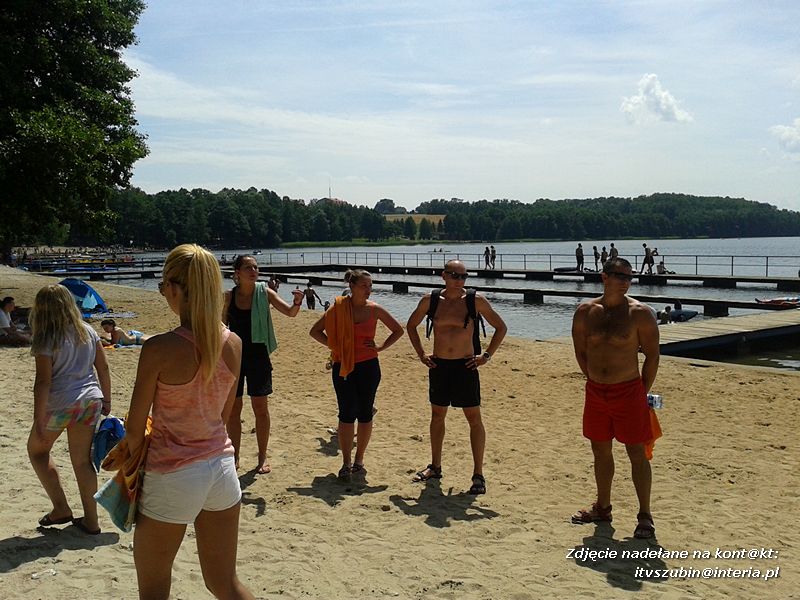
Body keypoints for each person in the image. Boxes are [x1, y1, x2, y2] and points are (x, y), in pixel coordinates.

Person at [125, 244, 255, 599]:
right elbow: (225, 417)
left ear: (176, 288)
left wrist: (129, 472)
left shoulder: (159, 348)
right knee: (224, 583)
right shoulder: (234, 343)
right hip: (220, 469)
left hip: (173, 473)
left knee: (153, 587)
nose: (164, 292)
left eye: (164, 285)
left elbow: (134, 430)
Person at [570, 257, 660, 539]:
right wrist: (593, 377)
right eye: (619, 276)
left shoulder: (640, 314)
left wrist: (640, 390)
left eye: (629, 277)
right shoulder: (585, 312)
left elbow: (653, 356)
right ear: (604, 277)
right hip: (596, 391)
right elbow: (580, 350)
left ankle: (644, 514)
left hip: (629, 390)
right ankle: (603, 506)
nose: (625, 281)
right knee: (600, 450)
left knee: (636, 453)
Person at [406, 260, 507, 495]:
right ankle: (435, 466)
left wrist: (487, 356)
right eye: (455, 275)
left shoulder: (475, 300)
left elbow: (501, 327)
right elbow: (411, 325)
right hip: (439, 365)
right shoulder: (430, 300)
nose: (459, 280)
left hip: (466, 366)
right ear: (444, 275)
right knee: (437, 415)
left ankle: (478, 474)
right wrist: (421, 353)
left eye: (464, 276)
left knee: (473, 418)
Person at [27, 284, 111, 535]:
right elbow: (103, 367)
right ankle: (92, 521)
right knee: (83, 461)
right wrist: (107, 400)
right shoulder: (87, 331)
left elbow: (43, 382)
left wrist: (39, 420)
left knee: (37, 451)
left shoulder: (46, 338)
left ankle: (61, 507)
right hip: (89, 400)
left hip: (61, 403)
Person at [309, 269, 404, 479]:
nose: (368, 290)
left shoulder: (375, 309)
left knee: (365, 414)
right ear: (352, 287)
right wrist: (334, 346)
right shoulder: (338, 308)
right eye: (364, 286)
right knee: (346, 414)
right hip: (343, 366)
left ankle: (359, 460)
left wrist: (379, 347)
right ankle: (346, 462)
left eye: (370, 286)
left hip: (369, 367)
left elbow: (398, 330)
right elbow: (315, 331)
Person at [223, 255, 304, 474]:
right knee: (233, 411)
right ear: (237, 273)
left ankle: (261, 457)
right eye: (248, 267)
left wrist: (297, 301)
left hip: (258, 357)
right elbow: (221, 329)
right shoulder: (228, 297)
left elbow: (290, 312)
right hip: (234, 358)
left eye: (255, 267)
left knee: (261, 409)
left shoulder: (264, 293)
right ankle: (235, 455)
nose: (254, 270)